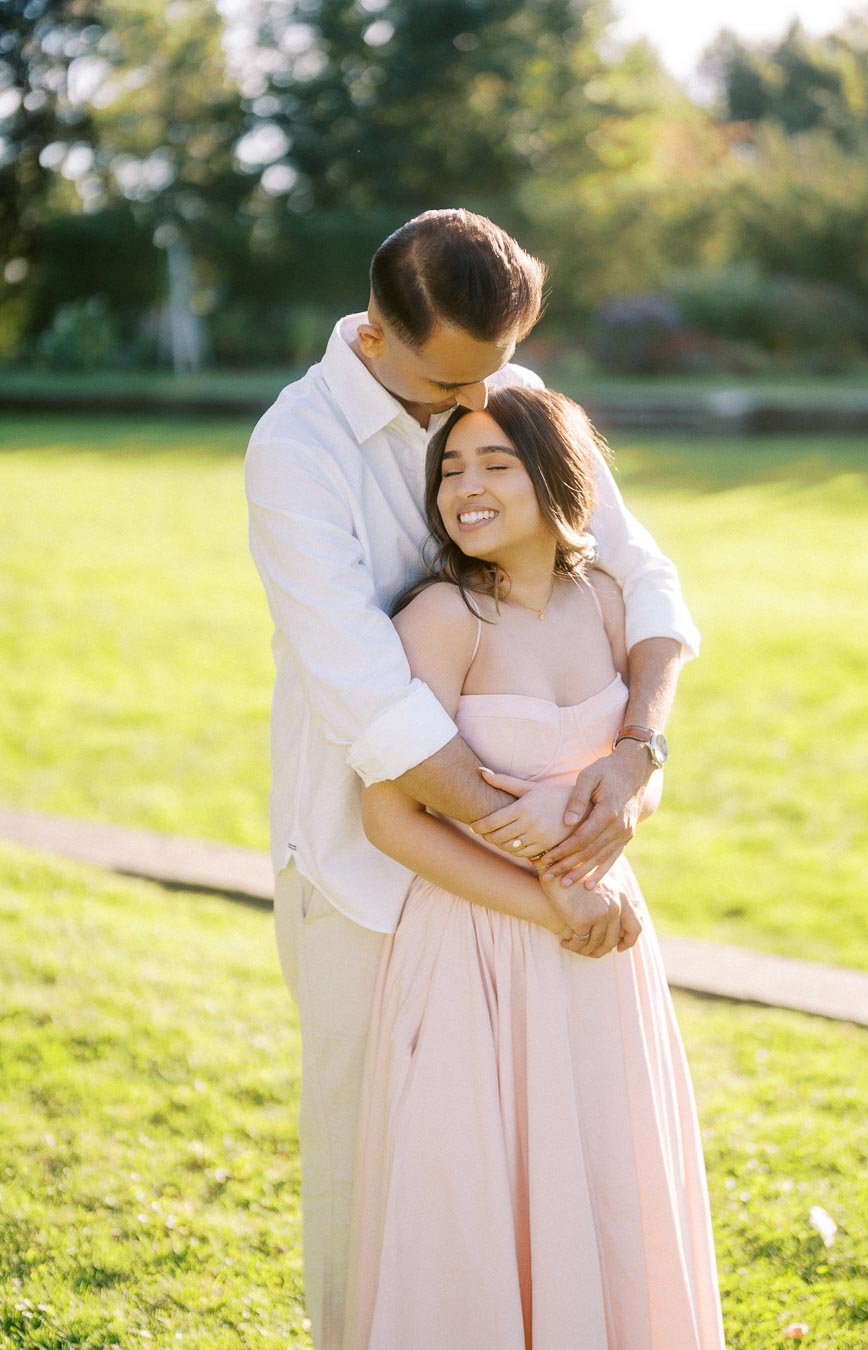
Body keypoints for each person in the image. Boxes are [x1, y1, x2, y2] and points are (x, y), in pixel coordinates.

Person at [245, 208, 700, 1350]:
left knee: (557, 1151)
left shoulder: (497, 388)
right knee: (379, 1173)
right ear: (381, 334)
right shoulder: (296, 450)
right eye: (452, 382)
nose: (470, 409)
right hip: (369, 867)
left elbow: (637, 572)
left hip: (533, 876)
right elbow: (372, 705)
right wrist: (551, 862)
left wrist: (641, 749)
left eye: (492, 378)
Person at [344, 387, 725, 1350]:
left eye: (496, 465)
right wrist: (546, 899)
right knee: (480, 1194)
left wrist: (625, 813)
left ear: (562, 479)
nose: (464, 489)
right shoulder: (442, 618)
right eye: (451, 471)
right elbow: (388, 815)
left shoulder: (604, 602)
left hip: (603, 943)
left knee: (605, 1174)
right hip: (480, 943)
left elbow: (628, 785)